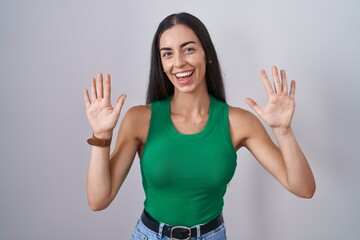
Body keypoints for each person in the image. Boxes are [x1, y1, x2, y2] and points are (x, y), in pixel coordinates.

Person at [83, 12, 316, 240]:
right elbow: (98, 200)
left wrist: (283, 131)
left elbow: (303, 188)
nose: (179, 62)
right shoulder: (139, 119)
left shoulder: (238, 122)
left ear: (207, 54)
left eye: (189, 49)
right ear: (161, 64)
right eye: (167, 54)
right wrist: (101, 135)